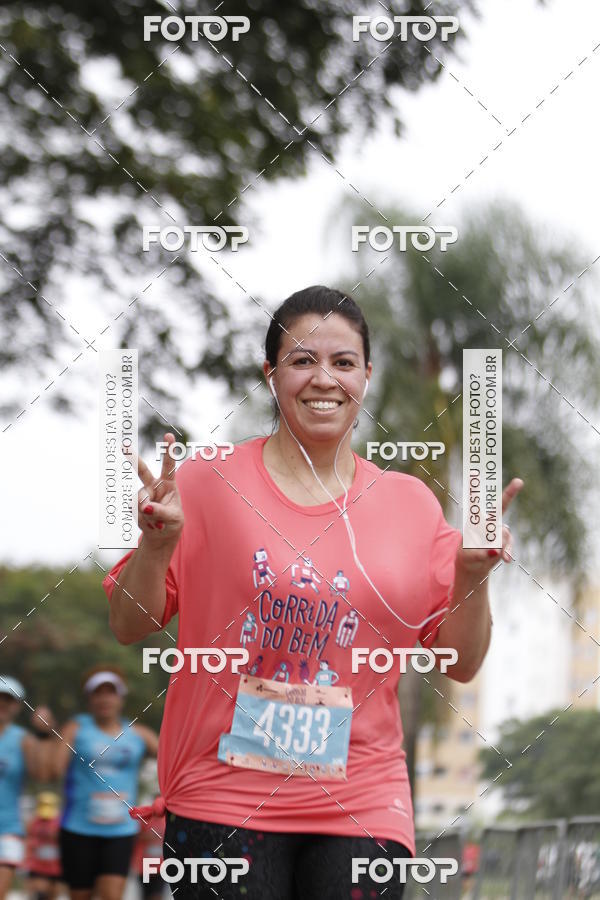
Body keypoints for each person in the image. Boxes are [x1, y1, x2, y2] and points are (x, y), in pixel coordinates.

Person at [102, 285, 522, 899]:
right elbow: (128, 624)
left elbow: (460, 662)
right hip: (221, 793)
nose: (324, 378)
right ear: (271, 375)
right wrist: (157, 547)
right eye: (302, 360)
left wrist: (471, 579)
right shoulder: (208, 483)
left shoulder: (410, 504)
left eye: (343, 362)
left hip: (363, 798)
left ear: (366, 376)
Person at [40, 665, 159, 900]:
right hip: (78, 828)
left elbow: (173, 763)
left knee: (112, 895)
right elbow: (54, 770)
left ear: (121, 697)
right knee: (81, 896)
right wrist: (48, 732)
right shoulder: (76, 728)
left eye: (111, 692)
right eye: (98, 692)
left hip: (121, 830)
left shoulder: (139, 734)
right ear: (89, 698)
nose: (105, 699)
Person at [0, 676, 52, 900]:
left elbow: (42, 775)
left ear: (16, 706)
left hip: (8, 828)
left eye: (8, 700)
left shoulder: (24, 740)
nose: (2, 703)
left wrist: (43, 733)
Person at [23, 792, 63, 900]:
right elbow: (27, 841)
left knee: (52, 896)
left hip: (55, 868)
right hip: (37, 866)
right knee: (38, 895)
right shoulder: (33, 822)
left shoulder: (60, 822)